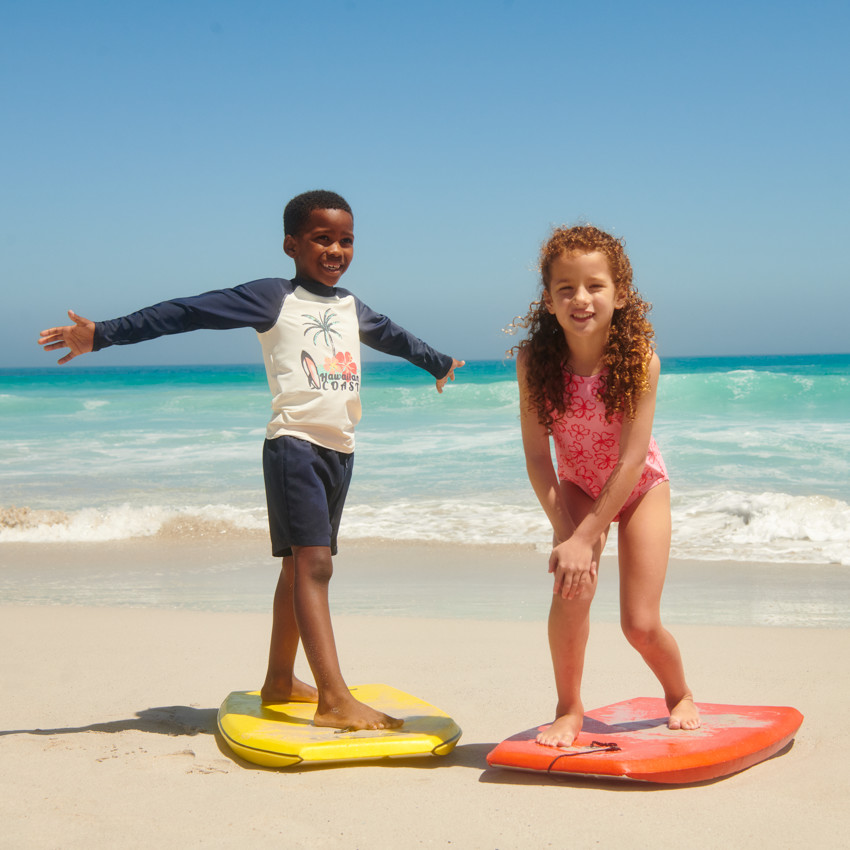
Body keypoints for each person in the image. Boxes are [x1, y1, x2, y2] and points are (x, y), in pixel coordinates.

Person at [38, 189, 464, 732]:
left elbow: (392, 335)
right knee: (315, 565)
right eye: (322, 238)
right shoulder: (272, 297)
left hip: (339, 449)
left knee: (297, 567)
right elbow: (187, 312)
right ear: (291, 245)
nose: (336, 250)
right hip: (294, 447)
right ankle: (334, 699)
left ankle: (280, 681)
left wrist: (437, 362)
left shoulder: (348, 305)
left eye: (346, 240)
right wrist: (102, 334)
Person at [511, 224, 699, 747]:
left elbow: (633, 459)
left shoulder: (639, 361)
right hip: (577, 484)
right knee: (571, 592)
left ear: (620, 294)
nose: (581, 298)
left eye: (595, 285)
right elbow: (537, 457)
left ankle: (680, 693)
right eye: (565, 287)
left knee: (639, 624)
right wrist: (567, 534)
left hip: (639, 487)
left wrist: (587, 535)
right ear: (548, 299)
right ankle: (568, 708)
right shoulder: (535, 363)